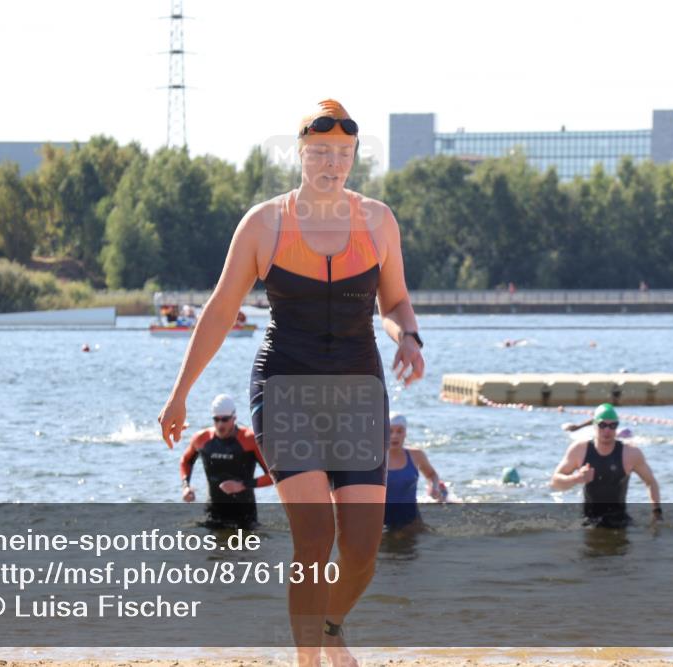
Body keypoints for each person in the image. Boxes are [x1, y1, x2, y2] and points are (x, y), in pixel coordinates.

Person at [158, 99, 424, 667]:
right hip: (286, 388)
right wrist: (181, 393)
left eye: (344, 153)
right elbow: (221, 309)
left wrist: (408, 336)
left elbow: (395, 300)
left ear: (355, 156)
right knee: (313, 537)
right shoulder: (265, 224)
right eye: (321, 152)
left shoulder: (377, 221)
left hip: (357, 390)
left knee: (361, 551)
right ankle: (307, 662)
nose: (333, 163)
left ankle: (330, 628)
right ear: (301, 153)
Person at [550, 403, 662, 528]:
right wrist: (576, 478)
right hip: (588, 521)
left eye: (612, 426)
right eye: (602, 425)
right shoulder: (579, 450)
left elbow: (651, 482)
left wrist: (657, 512)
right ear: (594, 425)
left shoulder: (631, 453)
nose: (607, 430)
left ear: (617, 427)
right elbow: (555, 482)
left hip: (620, 521)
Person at [179, 394, 272, 529]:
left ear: (234, 418)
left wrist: (243, 485)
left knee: (246, 549)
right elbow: (185, 461)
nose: (220, 424)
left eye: (225, 419)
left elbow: (273, 475)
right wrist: (186, 486)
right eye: (216, 419)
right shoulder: (202, 439)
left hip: (245, 516)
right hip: (213, 514)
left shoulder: (249, 440)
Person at [384, 412, 445, 531]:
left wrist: (434, 487)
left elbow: (432, 475)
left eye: (399, 431)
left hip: (411, 522)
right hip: (383, 524)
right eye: (390, 431)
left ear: (405, 433)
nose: (394, 436)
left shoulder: (416, 455)